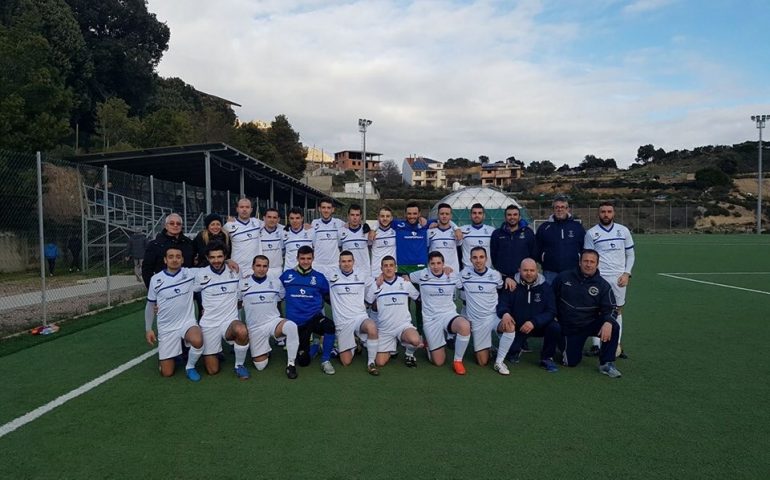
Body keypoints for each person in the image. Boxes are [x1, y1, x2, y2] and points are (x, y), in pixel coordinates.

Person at [552, 249, 622, 378]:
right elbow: (549, 298)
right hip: (569, 327)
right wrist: (553, 316)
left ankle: (607, 363)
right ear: (580, 262)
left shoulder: (602, 285)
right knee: (570, 362)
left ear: (597, 264)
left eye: (592, 262)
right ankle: (561, 344)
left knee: (613, 325)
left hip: (589, 324)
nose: (588, 265)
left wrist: (608, 321)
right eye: (585, 261)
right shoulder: (563, 277)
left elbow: (612, 308)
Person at [583, 201, 635, 358]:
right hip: (599, 277)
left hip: (619, 278)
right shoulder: (591, 233)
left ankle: (616, 345)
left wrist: (626, 273)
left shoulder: (623, 231)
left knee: (617, 310)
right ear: (598, 214)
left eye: (609, 211)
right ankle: (596, 346)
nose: (606, 214)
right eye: (603, 212)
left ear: (614, 213)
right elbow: (588, 258)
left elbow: (630, 254)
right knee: (595, 310)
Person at [144, 246, 204, 381]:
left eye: (178, 257)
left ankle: (190, 366)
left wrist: (229, 261)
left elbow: (211, 269)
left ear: (182, 260)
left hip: (187, 322)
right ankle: (168, 357)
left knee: (197, 340)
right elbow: (150, 305)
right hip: (167, 327)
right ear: (165, 260)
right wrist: (148, 329)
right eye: (171, 257)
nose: (174, 260)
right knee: (167, 373)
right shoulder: (156, 279)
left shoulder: (190, 273)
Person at [408, 251, 471, 374]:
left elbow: (465, 285)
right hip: (431, 319)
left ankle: (458, 361)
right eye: (432, 263)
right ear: (428, 264)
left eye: (438, 263)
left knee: (464, 325)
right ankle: (429, 346)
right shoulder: (421, 274)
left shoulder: (452, 275)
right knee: (439, 362)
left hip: (449, 315)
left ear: (443, 264)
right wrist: (416, 295)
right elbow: (405, 278)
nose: (436, 266)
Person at [194, 244, 251, 380]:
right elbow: (186, 292)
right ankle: (215, 351)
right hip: (209, 323)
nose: (216, 260)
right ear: (207, 258)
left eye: (220, 256)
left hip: (229, 321)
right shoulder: (200, 274)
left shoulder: (235, 270)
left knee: (242, 331)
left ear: (225, 257)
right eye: (212, 257)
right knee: (212, 370)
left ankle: (239, 365)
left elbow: (242, 291)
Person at [456, 246, 516, 375]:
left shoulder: (495, 275)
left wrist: (508, 278)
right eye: (475, 257)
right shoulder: (463, 274)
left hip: (493, 317)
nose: (478, 260)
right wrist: (446, 269)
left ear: (486, 259)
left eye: (481, 257)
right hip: (477, 321)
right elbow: (449, 280)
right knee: (482, 362)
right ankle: (489, 349)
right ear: (470, 259)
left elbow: (503, 287)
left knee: (510, 326)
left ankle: (499, 362)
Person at [239, 255, 300, 379]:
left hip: (273, 322)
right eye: (258, 266)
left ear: (268, 268)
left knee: (291, 326)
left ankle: (291, 364)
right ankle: (266, 350)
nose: (261, 269)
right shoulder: (242, 283)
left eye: (264, 266)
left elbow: (281, 297)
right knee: (260, 366)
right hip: (255, 327)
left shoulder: (276, 283)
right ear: (252, 267)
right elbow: (237, 303)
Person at [279, 246, 336, 375]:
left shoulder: (319, 277)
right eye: (302, 258)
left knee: (329, 326)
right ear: (297, 258)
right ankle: (315, 346)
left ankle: (325, 360)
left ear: (313, 259)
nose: (305, 261)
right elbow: (276, 294)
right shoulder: (287, 275)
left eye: (308, 258)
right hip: (295, 323)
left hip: (313, 317)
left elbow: (328, 296)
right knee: (303, 361)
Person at [496, 258, 560, 373]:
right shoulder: (511, 285)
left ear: (537, 271)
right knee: (511, 349)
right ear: (519, 270)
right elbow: (502, 304)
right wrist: (505, 313)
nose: (529, 273)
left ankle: (547, 357)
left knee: (554, 327)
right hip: (518, 326)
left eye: (532, 270)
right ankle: (516, 349)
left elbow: (551, 311)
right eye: (525, 270)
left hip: (537, 326)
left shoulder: (546, 287)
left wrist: (534, 322)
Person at [327, 250, 380, 375]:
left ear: (353, 262)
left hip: (359, 317)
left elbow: (374, 286)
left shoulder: (362, 275)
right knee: (346, 362)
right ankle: (355, 343)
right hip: (342, 321)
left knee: (372, 327)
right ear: (339, 263)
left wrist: (367, 302)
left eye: (349, 261)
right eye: (343, 261)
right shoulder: (330, 276)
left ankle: (371, 362)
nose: (346, 264)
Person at [365, 256, 424, 368]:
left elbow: (418, 298)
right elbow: (368, 302)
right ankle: (393, 345)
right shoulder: (376, 284)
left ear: (396, 268)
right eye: (385, 266)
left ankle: (409, 353)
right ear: (381, 268)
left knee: (415, 340)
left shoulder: (404, 282)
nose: (388, 268)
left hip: (403, 326)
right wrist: (376, 286)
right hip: (384, 329)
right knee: (380, 362)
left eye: (391, 265)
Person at [535, 196, 586, 284]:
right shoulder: (544, 227)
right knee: (551, 296)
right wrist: (545, 260)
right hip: (550, 272)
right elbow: (537, 248)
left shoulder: (577, 227)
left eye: (562, 207)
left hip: (572, 271)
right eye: (557, 207)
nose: (560, 210)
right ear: (553, 209)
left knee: (570, 296)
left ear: (568, 209)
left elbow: (583, 248)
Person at [142, 213, 195, 288]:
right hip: (164, 288)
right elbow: (147, 270)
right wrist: (153, 289)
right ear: (166, 226)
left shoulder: (189, 243)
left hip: (186, 288)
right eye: (172, 223)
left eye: (178, 223)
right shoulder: (155, 245)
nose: (175, 225)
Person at [490, 204, 536, 290]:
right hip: (503, 279)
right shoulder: (497, 234)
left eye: (515, 215)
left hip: (523, 278)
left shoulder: (528, 233)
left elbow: (533, 254)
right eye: (509, 215)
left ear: (519, 216)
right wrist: (502, 272)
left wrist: (525, 271)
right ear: (505, 217)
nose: (512, 217)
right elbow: (494, 255)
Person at [224, 198, 264, 276]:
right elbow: (219, 243)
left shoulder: (257, 223)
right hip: (236, 267)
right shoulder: (228, 226)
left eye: (247, 207)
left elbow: (273, 225)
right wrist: (227, 259)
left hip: (254, 269)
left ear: (251, 209)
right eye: (242, 207)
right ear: (237, 209)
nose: (244, 209)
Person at [311, 197, 345, 278]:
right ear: (319, 209)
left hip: (334, 265)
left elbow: (353, 225)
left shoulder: (339, 223)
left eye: (328, 208)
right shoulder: (314, 223)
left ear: (333, 209)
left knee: (333, 290)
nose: (326, 210)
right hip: (318, 265)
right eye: (323, 207)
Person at [428, 203, 463, 274]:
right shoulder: (429, 232)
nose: (444, 216)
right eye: (442, 214)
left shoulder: (457, 233)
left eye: (447, 214)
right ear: (438, 215)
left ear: (451, 216)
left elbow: (459, 246)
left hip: (453, 272)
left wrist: (456, 228)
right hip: (434, 272)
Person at [338, 204, 371, 278]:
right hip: (347, 272)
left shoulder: (366, 231)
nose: (355, 218)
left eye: (357, 215)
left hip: (365, 272)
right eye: (352, 215)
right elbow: (339, 248)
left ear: (361, 216)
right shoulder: (341, 231)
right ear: (348, 216)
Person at [459, 203, 495, 270]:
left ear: (484, 216)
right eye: (474, 213)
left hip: (487, 271)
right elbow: (446, 226)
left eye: (479, 213)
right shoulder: (462, 230)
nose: (477, 215)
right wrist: (433, 222)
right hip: (467, 271)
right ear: (470, 215)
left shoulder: (492, 231)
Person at [368, 206, 397, 279]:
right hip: (376, 273)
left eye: (387, 216)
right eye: (382, 216)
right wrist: (372, 229)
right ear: (378, 218)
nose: (385, 218)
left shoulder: (396, 233)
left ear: (391, 218)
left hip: (392, 273)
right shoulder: (371, 234)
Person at [283, 207, 313, 271]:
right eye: (292, 218)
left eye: (297, 218)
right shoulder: (283, 233)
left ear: (302, 218)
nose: (294, 221)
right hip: (289, 271)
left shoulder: (311, 231)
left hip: (307, 271)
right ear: (288, 219)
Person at [259, 207, 285, 277]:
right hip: (261, 269)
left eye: (274, 217)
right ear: (264, 218)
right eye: (269, 217)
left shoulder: (283, 231)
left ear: (278, 219)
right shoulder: (257, 231)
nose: (272, 220)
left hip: (277, 270)